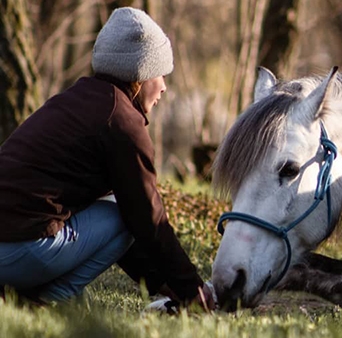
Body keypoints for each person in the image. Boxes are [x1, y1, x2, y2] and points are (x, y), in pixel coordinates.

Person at [0, 7, 214, 310]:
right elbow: (146, 219)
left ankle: (22, 294)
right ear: (139, 75)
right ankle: (37, 302)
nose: (164, 86)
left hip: (8, 245)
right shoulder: (123, 123)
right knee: (120, 213)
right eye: (161, 73)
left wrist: (162, 282)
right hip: (17, 250)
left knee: (116, 210)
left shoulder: (77, 99)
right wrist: (192, 290)